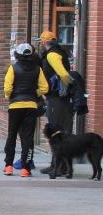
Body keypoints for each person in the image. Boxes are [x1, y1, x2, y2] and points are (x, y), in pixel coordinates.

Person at [3, 43, 48, 178]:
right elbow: (45, 88)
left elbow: (7, 88)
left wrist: (9, 96)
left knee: (11, 136)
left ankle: (9, 166)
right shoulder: (37, 69)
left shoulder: (13, 68)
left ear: (18, 55)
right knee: (27, 138)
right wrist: (34, 93)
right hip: (31, 107)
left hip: (15, 106)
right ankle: (25, 168)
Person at [39, 30, 74, 176]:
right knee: (59, 133)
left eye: (41, 41)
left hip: (57, 99)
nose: (40, 44)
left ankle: (61, 167)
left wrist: (66, 88)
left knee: (58, 133)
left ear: (44, 42)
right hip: (59, 99)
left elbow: (64, 74)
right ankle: (55, 165)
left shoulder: (52, 55)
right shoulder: (58, 52)